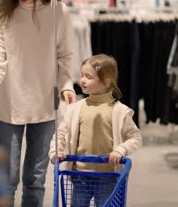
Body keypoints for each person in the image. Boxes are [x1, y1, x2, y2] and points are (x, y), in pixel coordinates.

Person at [0, 0, 76, 207]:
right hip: (8, 103)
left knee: (35, 180)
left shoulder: (58, 11)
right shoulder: (5, 11)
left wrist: (67, 84)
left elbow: (65, 55)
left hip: (45, 104)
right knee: (7, 179)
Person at [48, 54, 142, 206]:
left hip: (108, 176)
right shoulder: (75, 109)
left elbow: (135, 138)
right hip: (79, 175)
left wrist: (121, 150)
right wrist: (55, 151)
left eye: (88, 77)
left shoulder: (119, 112)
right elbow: (60, 134)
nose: (82, 80)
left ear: (106, 81)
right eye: (81, 75)